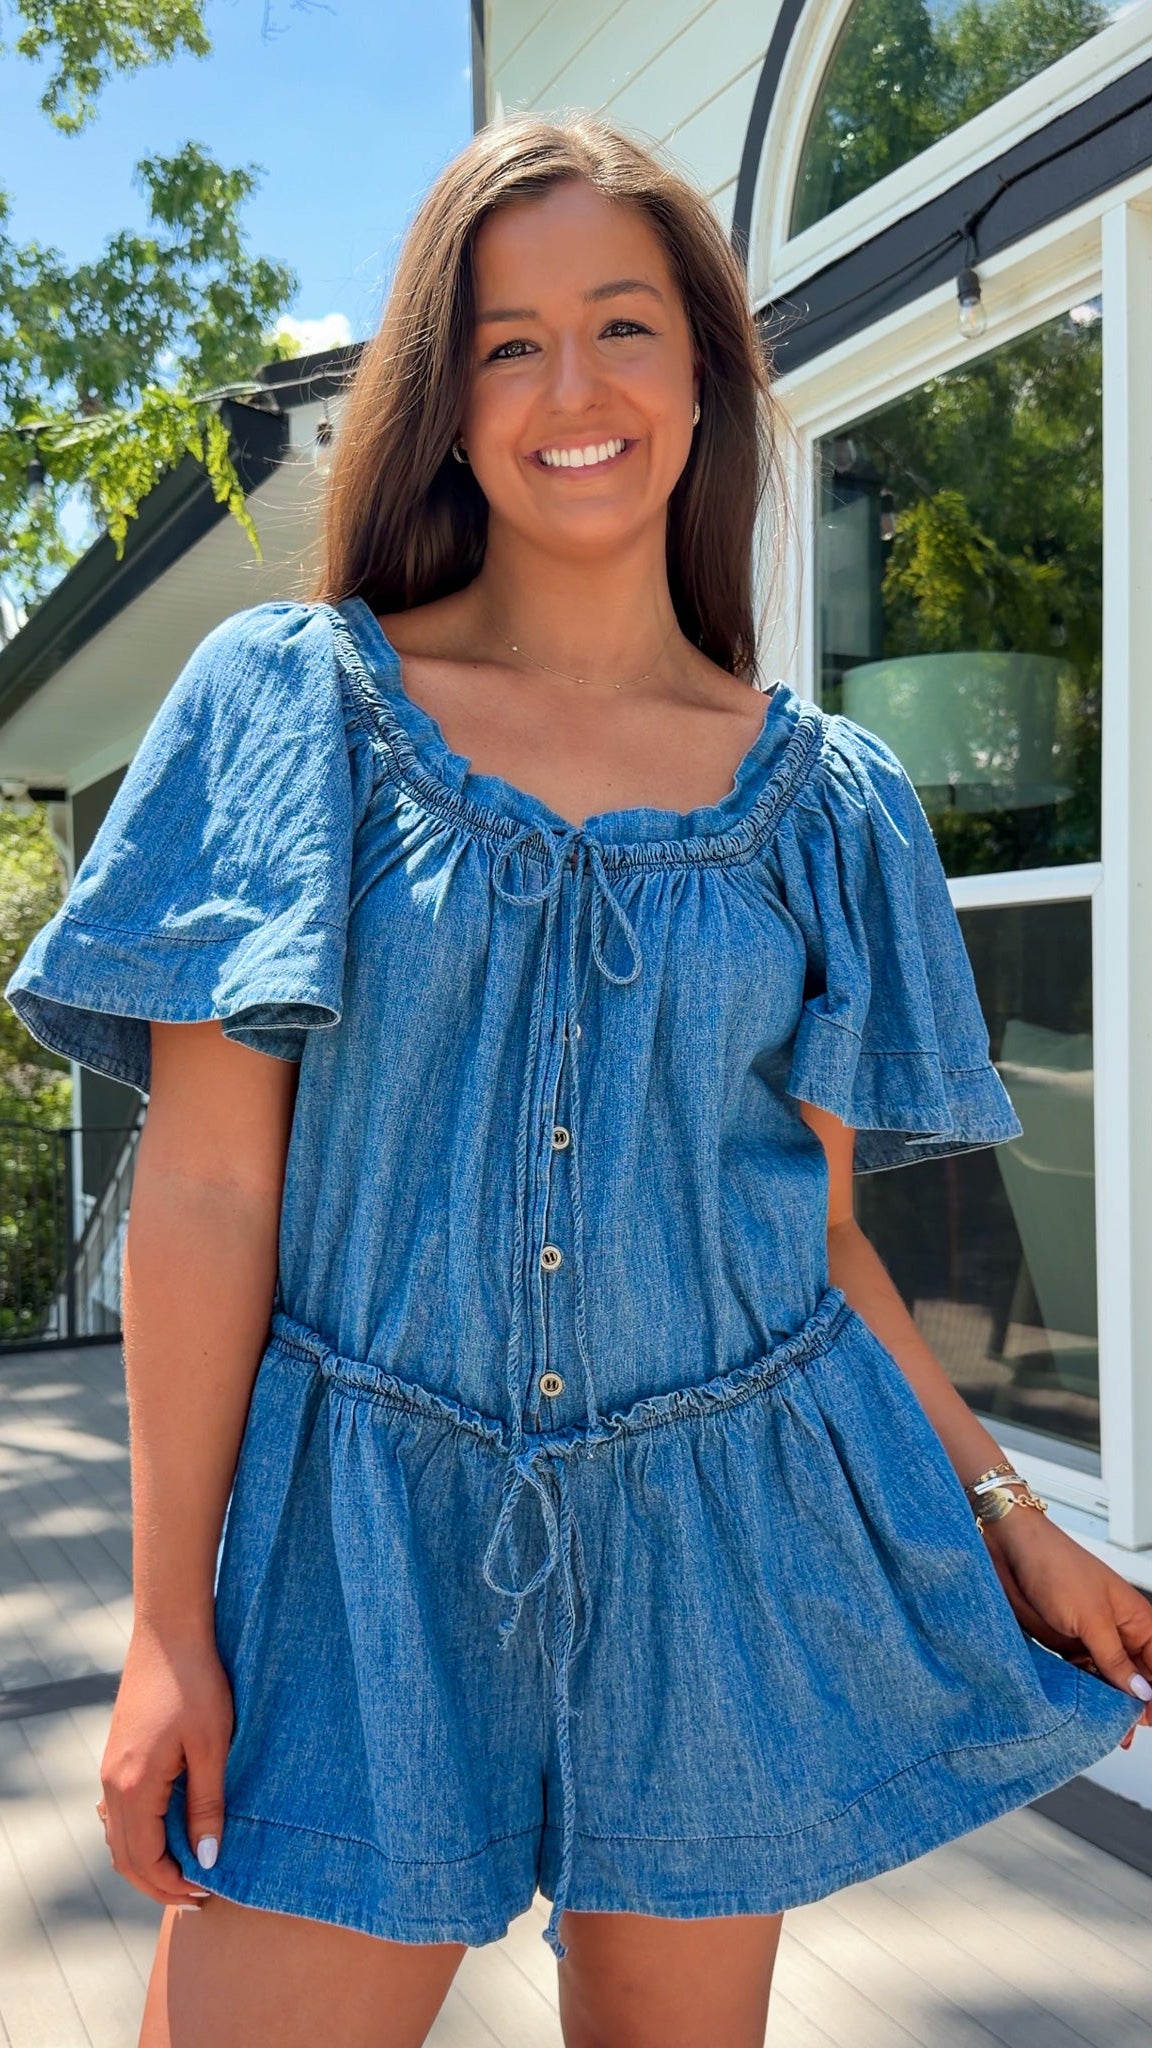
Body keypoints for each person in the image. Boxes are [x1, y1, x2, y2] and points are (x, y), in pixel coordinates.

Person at [6, 111, 1149, 2048]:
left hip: (721, 1548)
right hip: (353, 1544)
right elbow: (208, 1192)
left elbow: (819, 1239)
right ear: (446, 406)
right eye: (506, 343)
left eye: (622, 322)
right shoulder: (296, 704)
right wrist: (168, 1622)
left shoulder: (829, 799)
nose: (572, 388)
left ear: (705, 366)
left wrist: (1011, 1508)